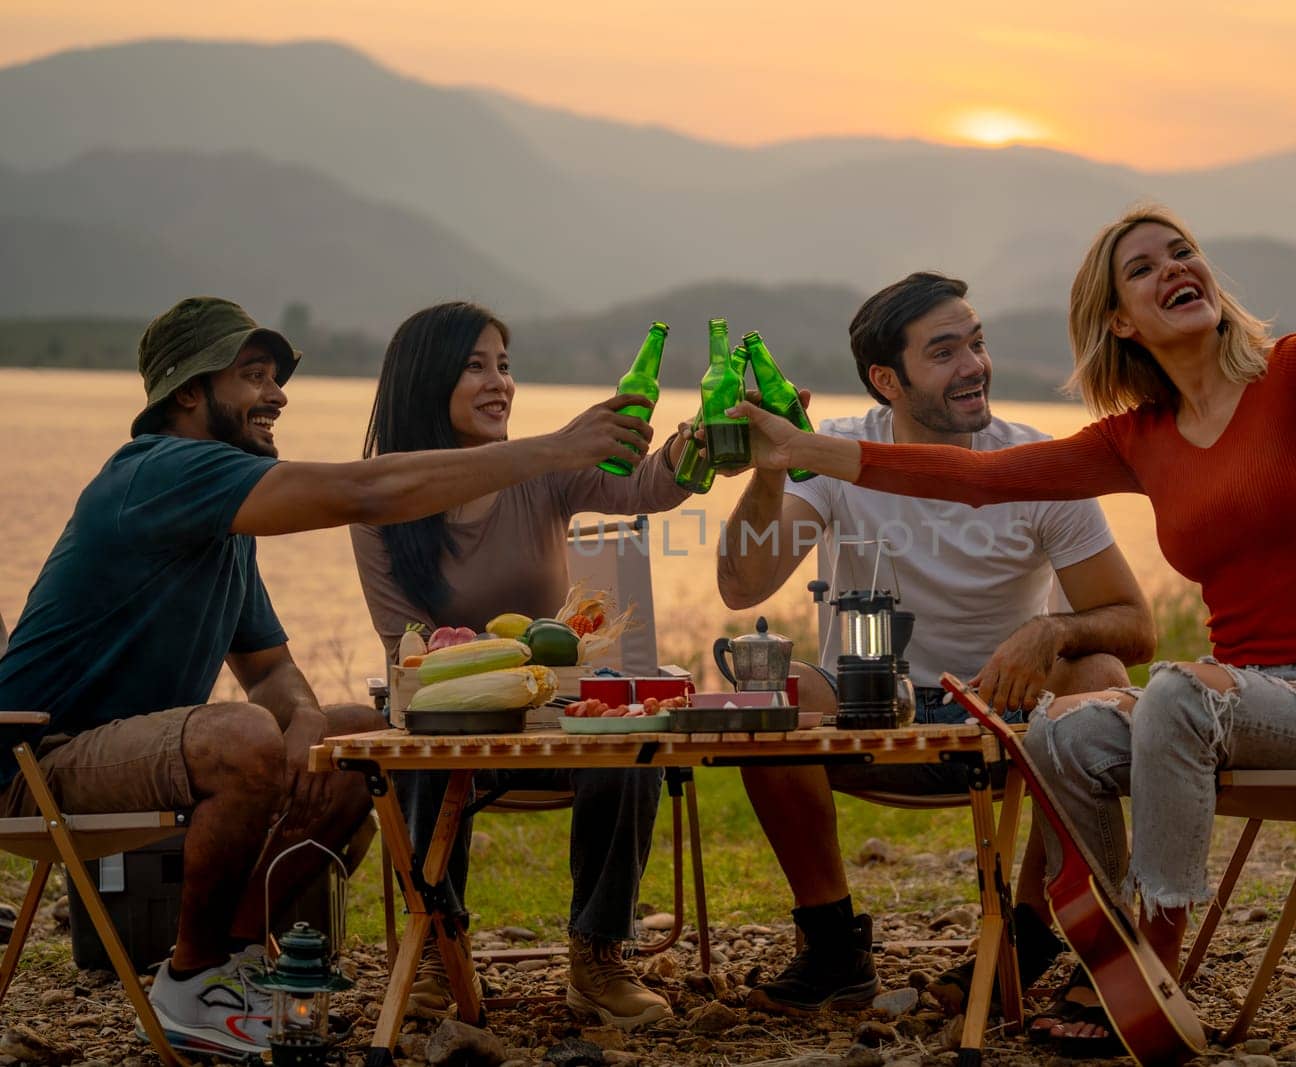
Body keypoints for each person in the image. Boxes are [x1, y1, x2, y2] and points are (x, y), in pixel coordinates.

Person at [731, 127, 1296, 1054]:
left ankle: (1150, 959)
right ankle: (1093, 943)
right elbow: (976, 478)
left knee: (1175, 693)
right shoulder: (1136, 437)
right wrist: (797, 451)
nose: (1172, 268)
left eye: (1180, 252)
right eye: (1143, 269)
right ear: (1121, 321)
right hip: (1247, 698)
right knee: (1066, 728)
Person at [0, 296, 660, 1058]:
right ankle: (192, 975)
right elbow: (363, 491)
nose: (277, 395)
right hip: (36, 759)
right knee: (243, 735)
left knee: (359, 736)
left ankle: (240, 958)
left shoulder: (222, 524)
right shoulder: (159, 473)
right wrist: (553, 448)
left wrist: (308, 726)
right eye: (253, 376)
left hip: (117, 755)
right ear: (187, 392)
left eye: (277, 378)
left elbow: (272, 669)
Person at [717, 272, 1155, 1014]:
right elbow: (742, 584)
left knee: (1101, 671)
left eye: (977, 343)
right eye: (945, 351)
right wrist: (769, 470)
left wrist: (1049, 629)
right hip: (867, 705)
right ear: (887, 380)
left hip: (1008, 718)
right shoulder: (838, 453)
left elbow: (1135, 623)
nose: (975, 365)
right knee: (767, 682)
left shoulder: (1034, 464)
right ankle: (832, 948)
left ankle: (1027, 932)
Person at [350, 301, 695, 1030]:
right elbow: (404, 649)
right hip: (452, 726)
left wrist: (694, 452)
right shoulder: (381, 495)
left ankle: (597, 956)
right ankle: (439, 951)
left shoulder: (544, 475)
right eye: (475, 365)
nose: (498, 382)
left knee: (626, 728)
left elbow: (645, 488)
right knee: (416, 734)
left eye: (504, 364)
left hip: (553, 720)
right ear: (424, 381)